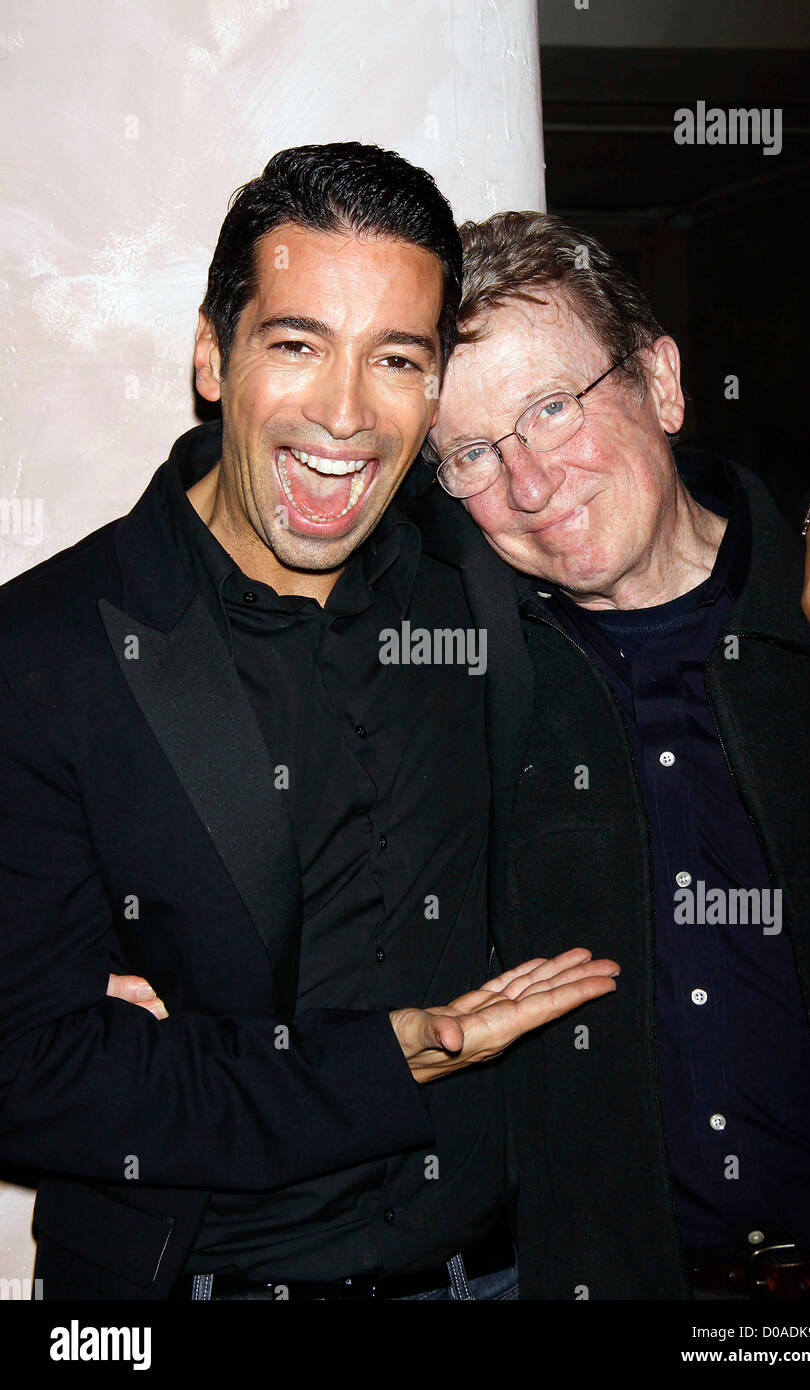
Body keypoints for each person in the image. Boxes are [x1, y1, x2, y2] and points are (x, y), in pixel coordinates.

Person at [0, 147, 620, 1302]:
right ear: (209, 355)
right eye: (296, 344)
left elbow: (658, 495)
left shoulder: (477, 566)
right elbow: (30, 1073)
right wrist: (398, 1054)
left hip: (502, 1276)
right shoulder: (45, 653)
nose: (343, 412)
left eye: (395, 359)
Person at [426, 211, 810, 1300]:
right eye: (472, 452)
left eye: (551, 407)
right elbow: (246, 471)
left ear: (662, 384)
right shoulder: (457, 677)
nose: (528, 483)